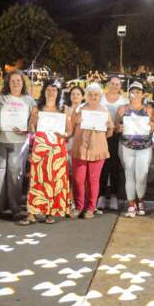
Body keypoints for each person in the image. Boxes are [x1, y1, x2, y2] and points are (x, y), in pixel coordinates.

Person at [23, 81, 71, 225]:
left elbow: (69, 130)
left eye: (54, 90)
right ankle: (31, 213)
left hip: (57, 149)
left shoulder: (64, 109)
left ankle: (50, 213)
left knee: (54, 180)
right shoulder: (38, 108)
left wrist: (65, 135)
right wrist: (32, 125)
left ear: (58, 93)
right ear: (44, 91)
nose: (51, 92)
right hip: (40, 148)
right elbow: (31, 130)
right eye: (48, 90)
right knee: (37, 180)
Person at [0, 71, 35, 220]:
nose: (16, 83)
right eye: (12, 81)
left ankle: (15, 209)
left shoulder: (29, 100)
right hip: (1, 141)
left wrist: (29, 128)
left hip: (19, 143)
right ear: (8, 83)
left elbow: (34, 120)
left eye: (18, 80)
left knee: (15, 176)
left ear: (23, 83)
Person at [70, 83, 114, 219]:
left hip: (97, 149)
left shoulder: (105, 111)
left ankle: (90, 208)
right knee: (78, 179)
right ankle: (78, 206)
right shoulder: (79, 109)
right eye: (90, 94)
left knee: (93, 180)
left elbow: (109, 134)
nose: (93, 97)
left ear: (100, 96)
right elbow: (70, 129)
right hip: (80, 148)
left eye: (96, 95)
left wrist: (110, 127)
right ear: (86, 96)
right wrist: (75, 120)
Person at [116, 82, 154, 217]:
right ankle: (131, 204)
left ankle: (141, 200)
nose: (136, 94)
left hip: (144, 146)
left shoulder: (148, 109)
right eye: (133, 91)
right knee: (129, 174)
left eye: (138, 92)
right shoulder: (122, 109)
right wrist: (118, 128)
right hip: (127, 146)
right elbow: (116, 127)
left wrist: (152, 125)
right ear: (129, 94)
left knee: (142, 174)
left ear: (143, 94)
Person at [98, 75, 129, 212]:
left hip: (117, 137)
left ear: (120, 86)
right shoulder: (100, 98)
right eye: (112, 83)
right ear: (108, 84)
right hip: (100, 136)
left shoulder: (124, 101)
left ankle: (115, 196)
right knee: (102, 166)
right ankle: (102, 196)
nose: (115, 86)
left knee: (115, 167)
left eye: (117, 84)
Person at [65, 85, 85, 216]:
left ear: (82, 96)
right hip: (66, 143)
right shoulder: (65, 109)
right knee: (67, 174)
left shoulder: (85, 109)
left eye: (78, 94)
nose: (75, 96)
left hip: (80, 144)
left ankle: (76, 203)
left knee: (78, 177)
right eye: (73, 94)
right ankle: (66, 202)